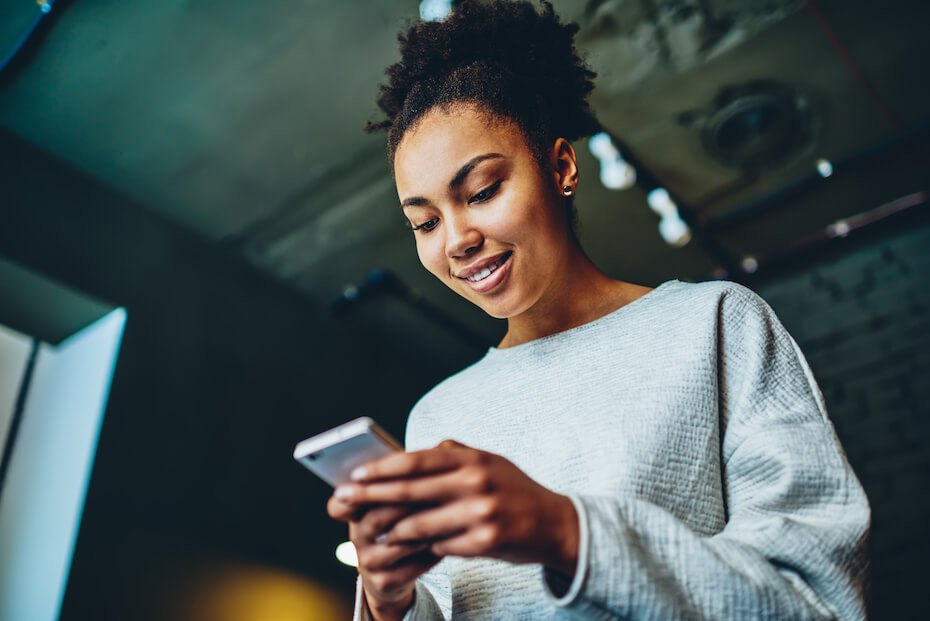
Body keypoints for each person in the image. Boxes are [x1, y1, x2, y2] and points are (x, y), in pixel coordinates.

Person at [327, 1, 871, 619]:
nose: (455, 241)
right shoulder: (435, 417)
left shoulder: (715, 325)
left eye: (480, 192)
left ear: (560, 166)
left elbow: (822, 601)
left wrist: (567, 531)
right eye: (424, 222)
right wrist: (389, 601)